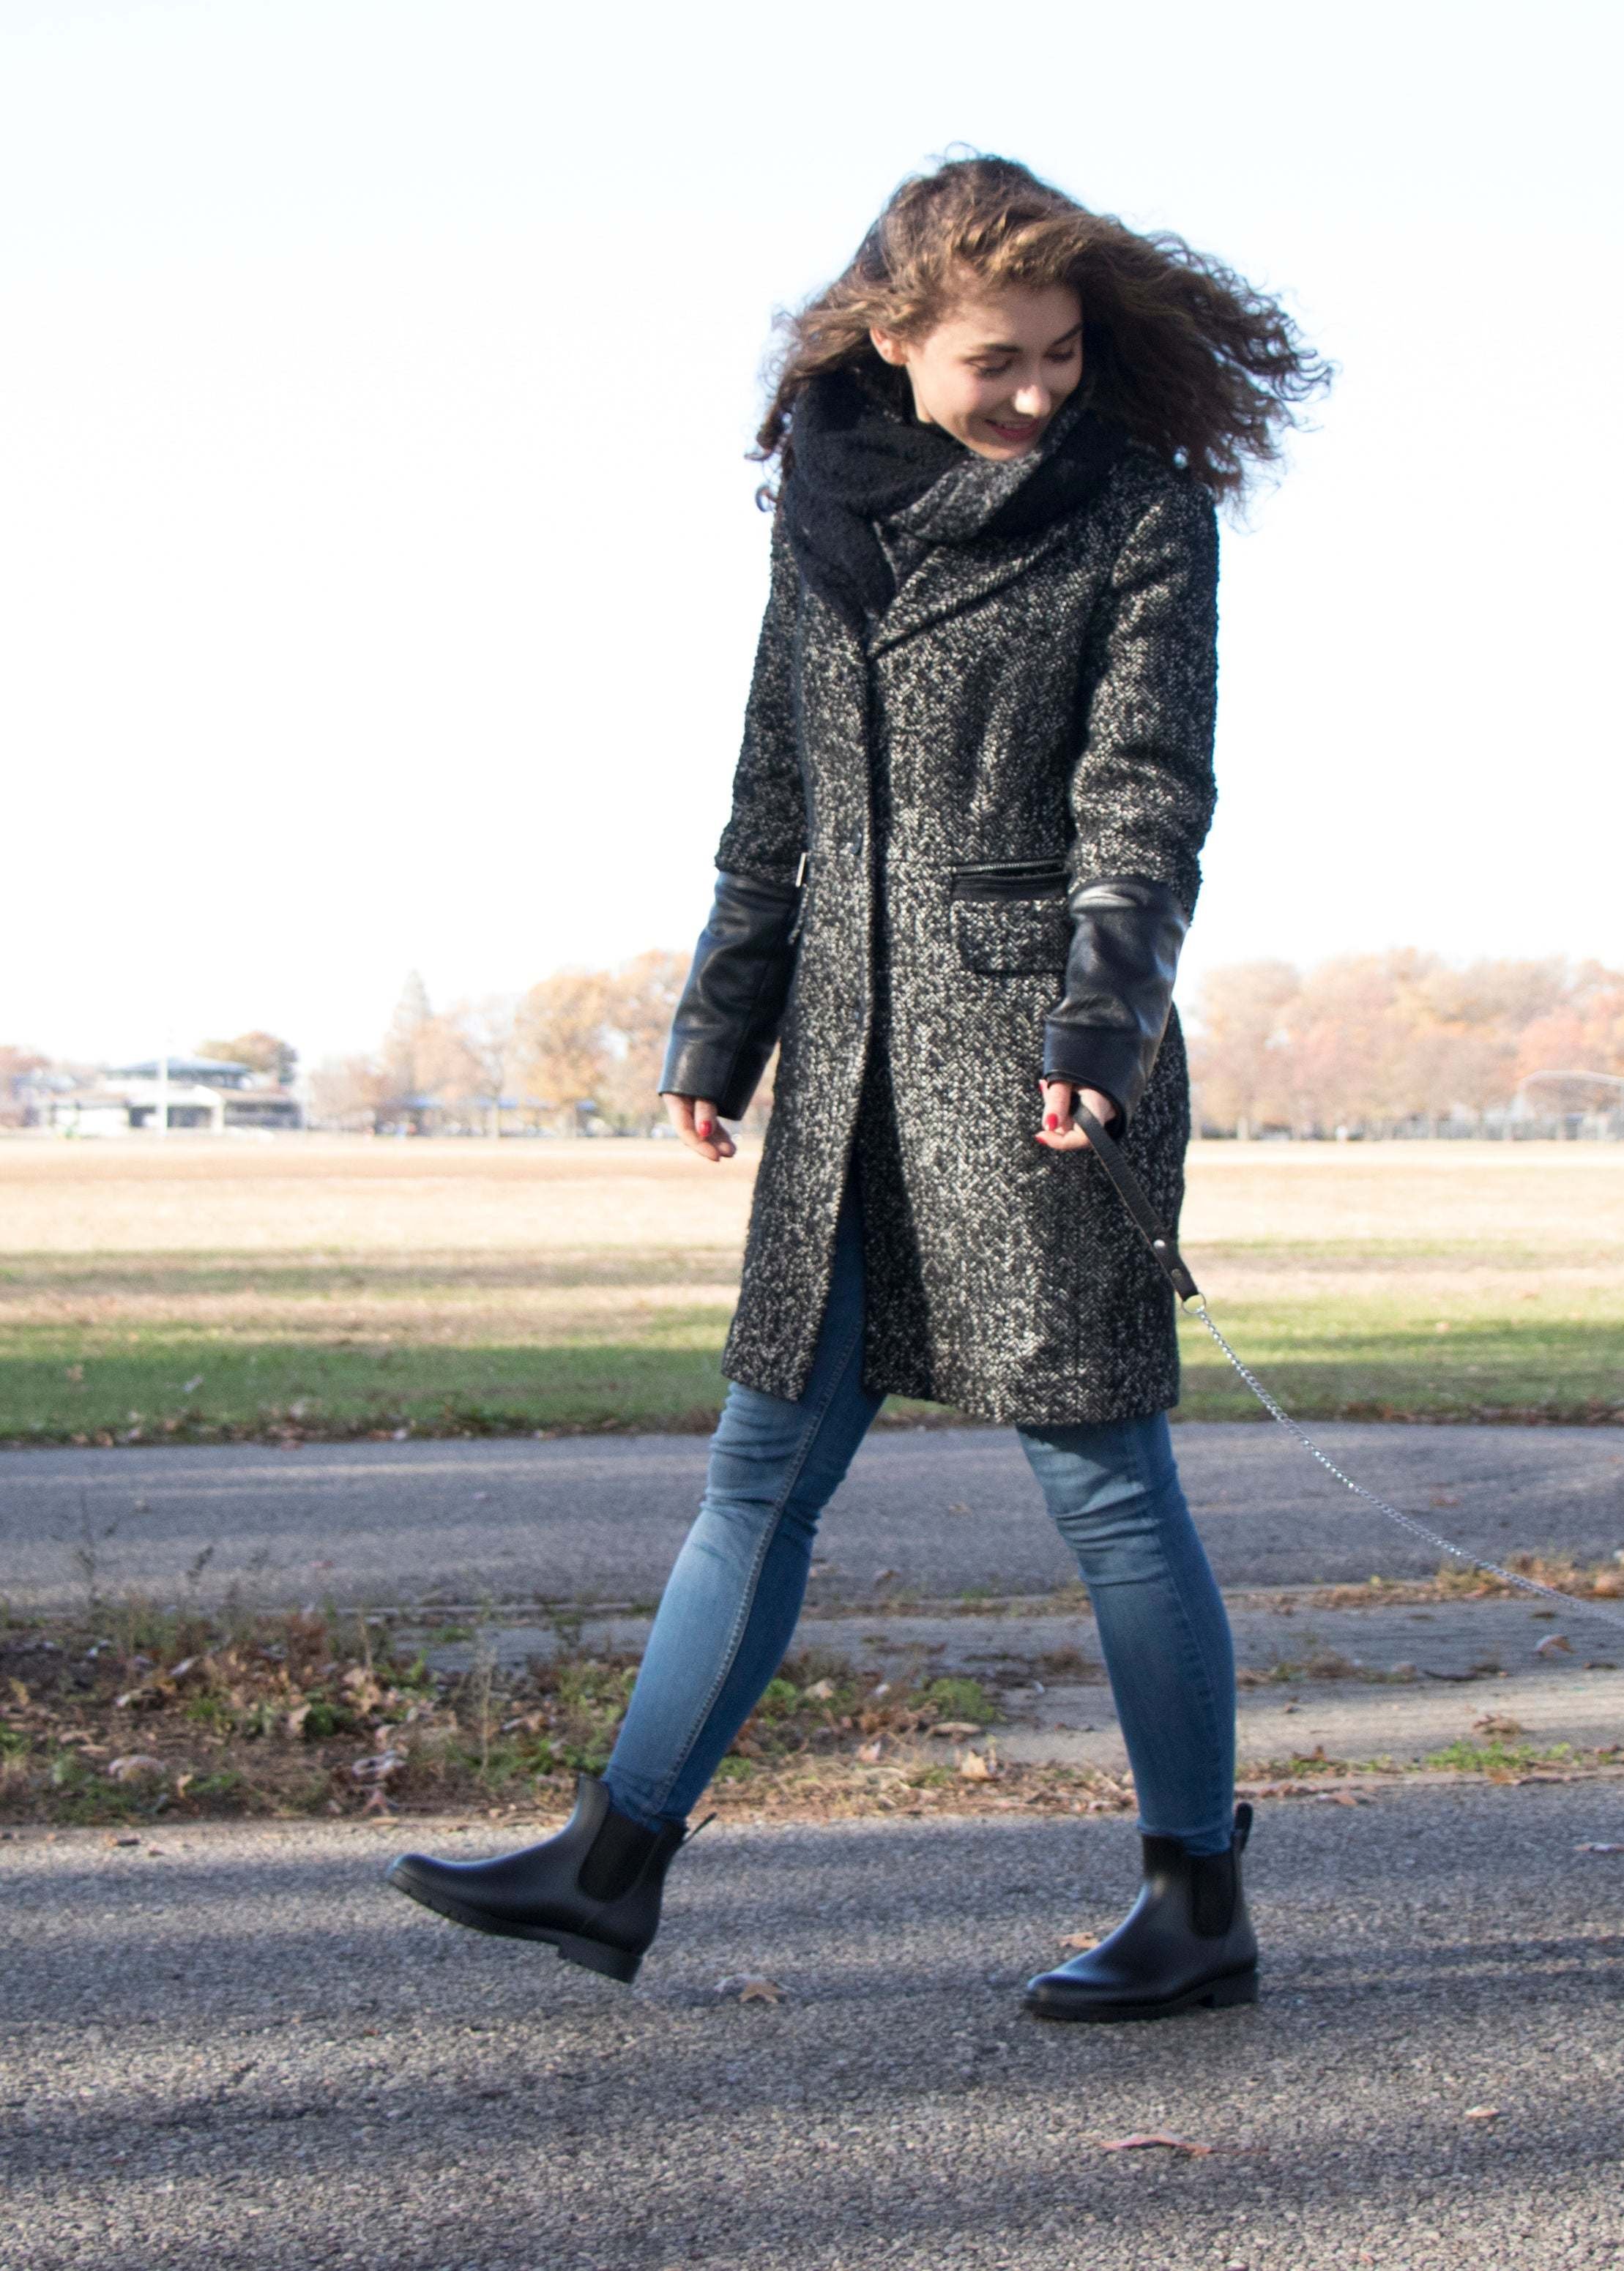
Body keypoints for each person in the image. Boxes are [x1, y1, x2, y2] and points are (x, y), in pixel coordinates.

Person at [385, 154, 1326, 2022]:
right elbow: (773, 792)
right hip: (843, 1070)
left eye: (1062, 353)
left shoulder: (1138, 512)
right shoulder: (821, 508)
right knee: (759, 1472)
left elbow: (1146, 799)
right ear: (894, 337)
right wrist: (718, 1028)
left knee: (1103, 1480)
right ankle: (610, 1861)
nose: (1038, 390)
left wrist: (1103, 1032)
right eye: (998, 359)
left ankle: (1195, 1901)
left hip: (1036, 1064)